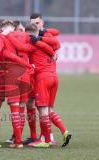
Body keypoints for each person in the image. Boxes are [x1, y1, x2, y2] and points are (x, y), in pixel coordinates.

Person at [29, 13, 72, 147]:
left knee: (42, 109)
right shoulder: (47, 36)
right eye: (32, 23)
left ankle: (47, 140)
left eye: (37, 23)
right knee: (48, 110)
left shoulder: (38, 38)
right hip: (54, 76)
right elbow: (55, 41)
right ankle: (59, 133)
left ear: (42, 22)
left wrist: (39, 37)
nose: (34, 25)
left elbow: (55, 40)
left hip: (43, 78)